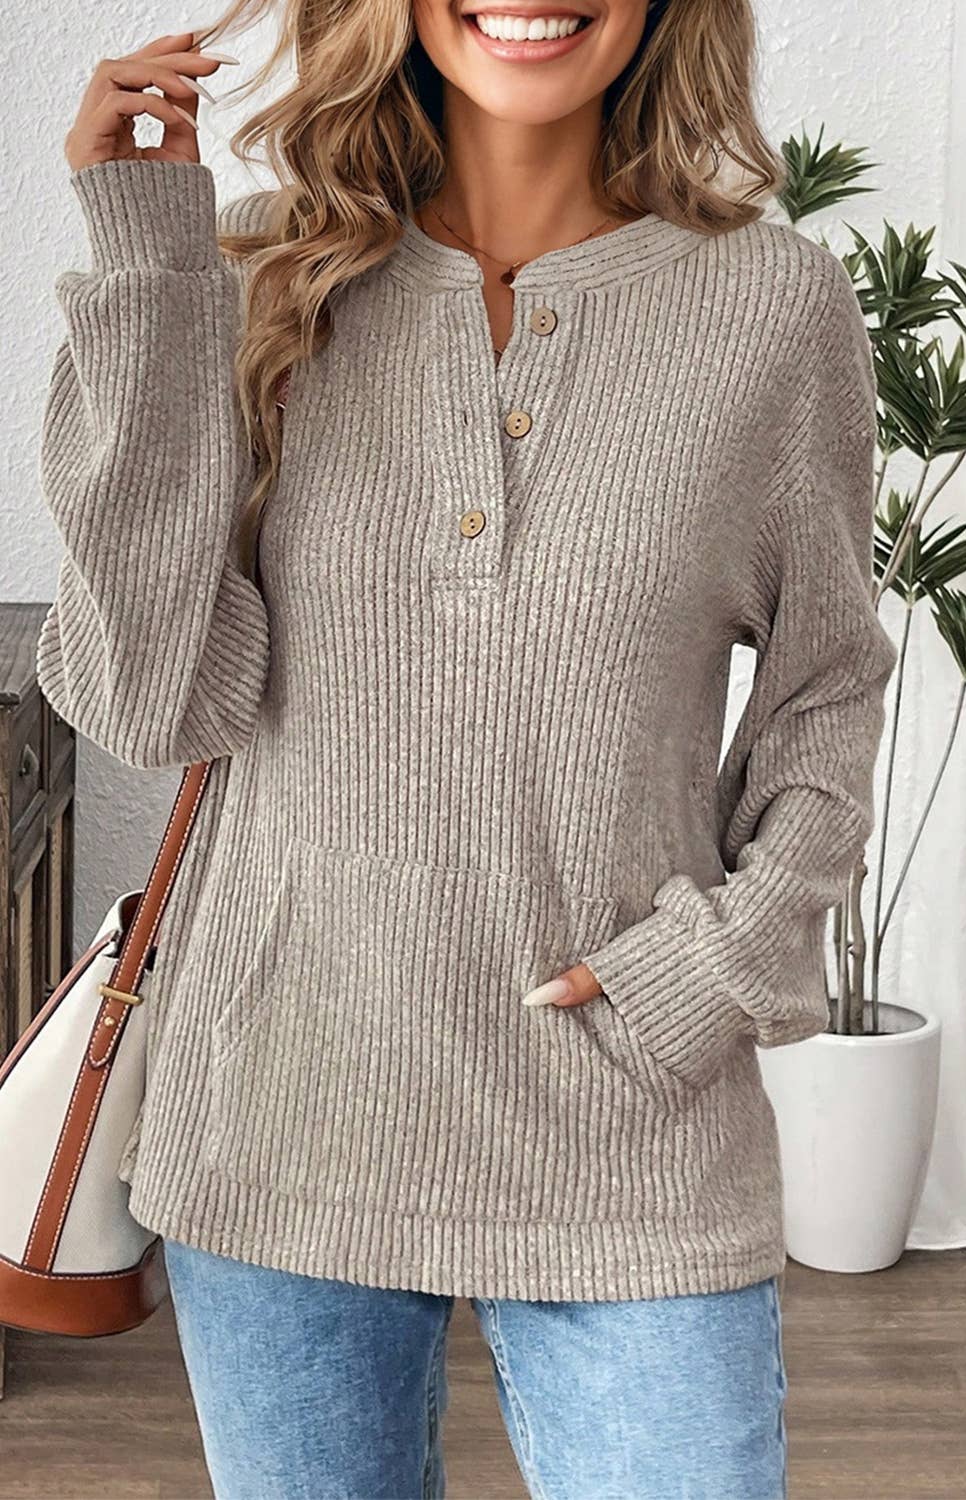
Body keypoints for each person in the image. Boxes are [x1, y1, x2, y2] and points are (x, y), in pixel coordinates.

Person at [38, 0, 898, 1495]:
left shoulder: (771, 305)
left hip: (629, 1134)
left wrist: (718, 964)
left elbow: (826, 687)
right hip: (283, 1124)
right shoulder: (248, 280)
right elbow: (149, 701)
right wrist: (148, 262)